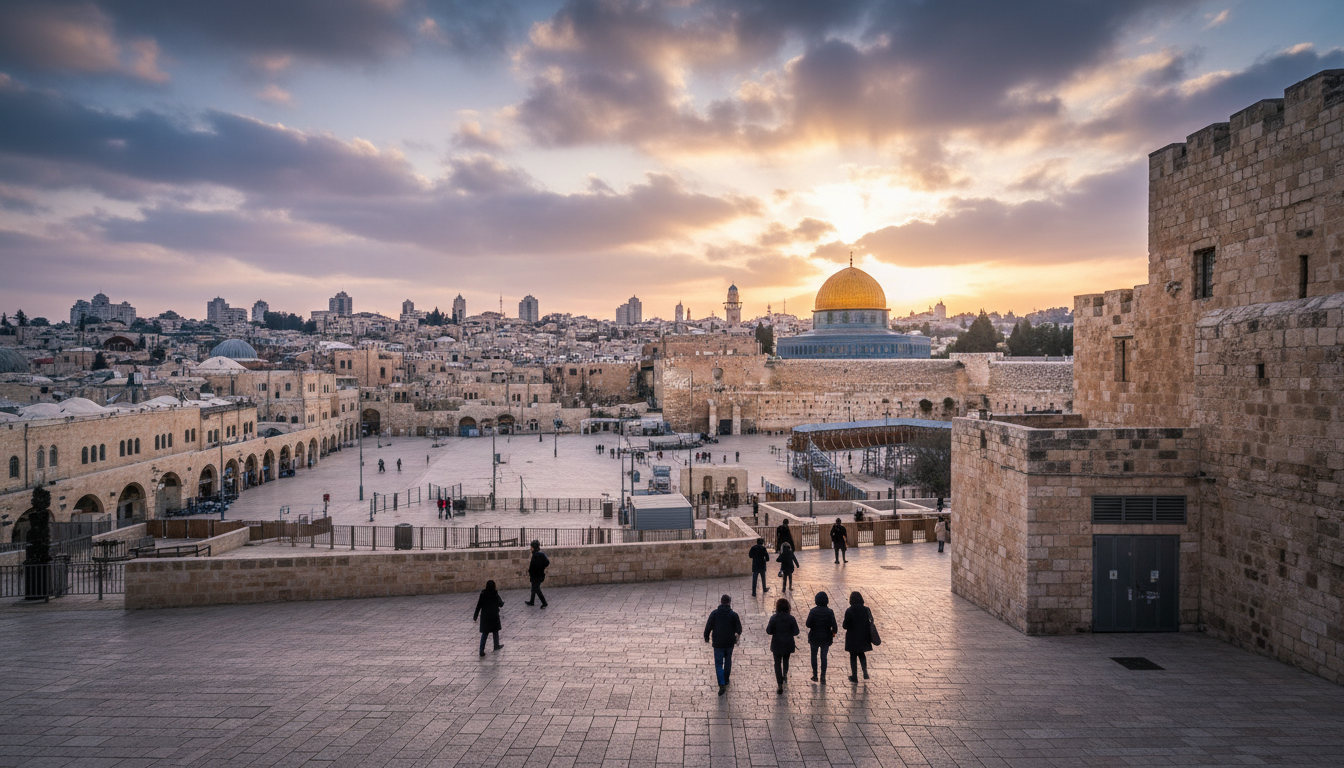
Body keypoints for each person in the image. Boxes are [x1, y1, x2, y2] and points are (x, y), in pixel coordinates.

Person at [703, 594, 742, 695]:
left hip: (718, 642)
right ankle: (726, 679)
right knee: (728, 661)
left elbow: (708, 626)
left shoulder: (714, 614)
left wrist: (706, 637)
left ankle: (722, 683)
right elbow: (739, 629)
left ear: (721, 602)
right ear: (729, 602)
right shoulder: (733, 615)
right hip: (729, 642)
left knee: (718, 663)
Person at [766, 598, 800, 694]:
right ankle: (785, 674)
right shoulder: (791, 618)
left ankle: (779, 683)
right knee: (786, 660)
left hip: (777, 643)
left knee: (777, 663)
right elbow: (796, 632)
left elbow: (769, 631)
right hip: (788, 643)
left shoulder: (774, 618)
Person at [805, 591, 838, 683]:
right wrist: (833, 633)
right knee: (824, 657)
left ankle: (815, 675)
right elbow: (835, 626)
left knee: (814, 655)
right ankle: (823, 676)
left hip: (814, 637)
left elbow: (808, 624)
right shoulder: (830, 612)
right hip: (826, 637)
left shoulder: (813, 611)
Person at [843, 591, 876, 682]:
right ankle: (865, 672)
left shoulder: (849, 611)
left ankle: (854, 676)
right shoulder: (866, 610)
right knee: (861, 654)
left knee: (853, 656)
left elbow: (845, 626)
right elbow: (871, 620)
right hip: (863, 636)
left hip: (853, 637)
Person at [472, 580, 504, 656]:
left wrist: (475, 615)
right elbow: (500, 604)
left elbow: (479, 605)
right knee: (495, 631)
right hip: (493, 616)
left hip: (485, 616)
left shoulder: (483, 594)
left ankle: (481, 650)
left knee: (485, 633)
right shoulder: (494, 594)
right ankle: (496, 645)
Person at [525, 540, 549, 608]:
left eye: (531, 547)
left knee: (537, 589)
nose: (530, 548)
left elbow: (532, 567)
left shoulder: (535, 556)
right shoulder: (542, 554)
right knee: (533, 588)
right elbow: (547, 562)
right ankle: (531, 601)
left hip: (536, 576)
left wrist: (531, 573)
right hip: (540, 575)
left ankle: (544, 603)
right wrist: (542, 567)